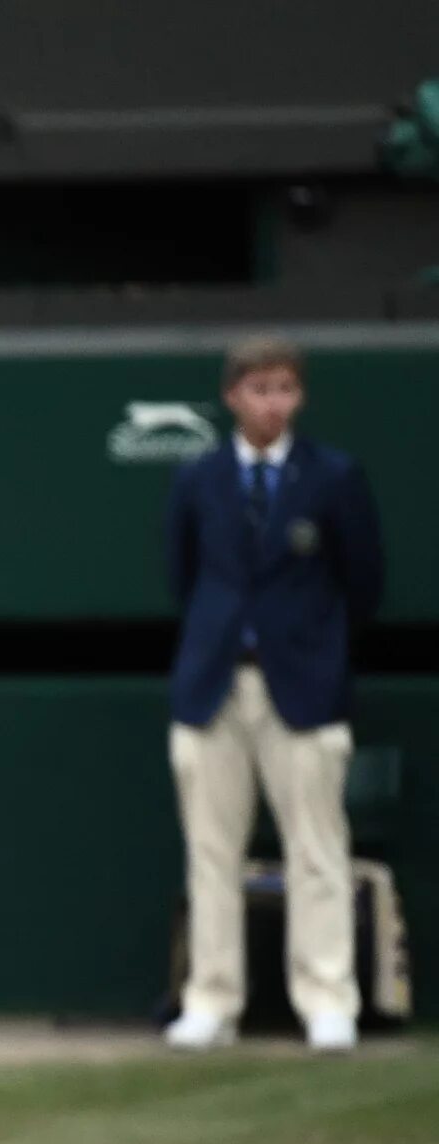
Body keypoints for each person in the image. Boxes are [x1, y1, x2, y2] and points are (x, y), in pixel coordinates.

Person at [161, 336, 385, 1053]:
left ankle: (327, 1000)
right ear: (232, 397)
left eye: (285, 389)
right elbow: (183, 576)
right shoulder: (198, 478)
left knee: (318, 848)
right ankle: (211, 1001)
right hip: (213, 686)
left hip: (304, 688)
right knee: (210, 851)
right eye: (259, 389)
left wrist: (313, 648)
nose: (273, 403)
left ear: (300, 397)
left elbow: (364, 581)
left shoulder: (336, 477)